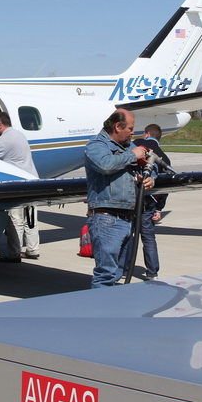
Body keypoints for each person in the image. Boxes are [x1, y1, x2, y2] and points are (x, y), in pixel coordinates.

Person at [84, 108, 153, 288]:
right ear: (117, 126)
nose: (133, 132)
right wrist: (133, 155)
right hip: (107, 219)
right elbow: (105, 165)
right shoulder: (96, 145)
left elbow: (147, 165)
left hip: (127, 218)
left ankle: (112, 303)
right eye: (130, 128)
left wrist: (149, 179)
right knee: (106, 274)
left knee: (118, 273)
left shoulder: (127, 147)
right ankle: (101, 305)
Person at [0, 111, 40, 262]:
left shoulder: (4, 140)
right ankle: (33, 250)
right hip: (33, 182)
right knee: (31, 218)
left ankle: (14, 254)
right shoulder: (19, 134)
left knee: (15, 220)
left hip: (18, 185)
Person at [133, 124, 171, 281]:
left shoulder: (136, 145)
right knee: (148, 238)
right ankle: (152, 272)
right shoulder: (164, 158)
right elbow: (166, 186)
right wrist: (159, 208)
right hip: (149, 201)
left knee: (127, 235)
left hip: (132, 197)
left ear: (147, 134)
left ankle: (122, 268)